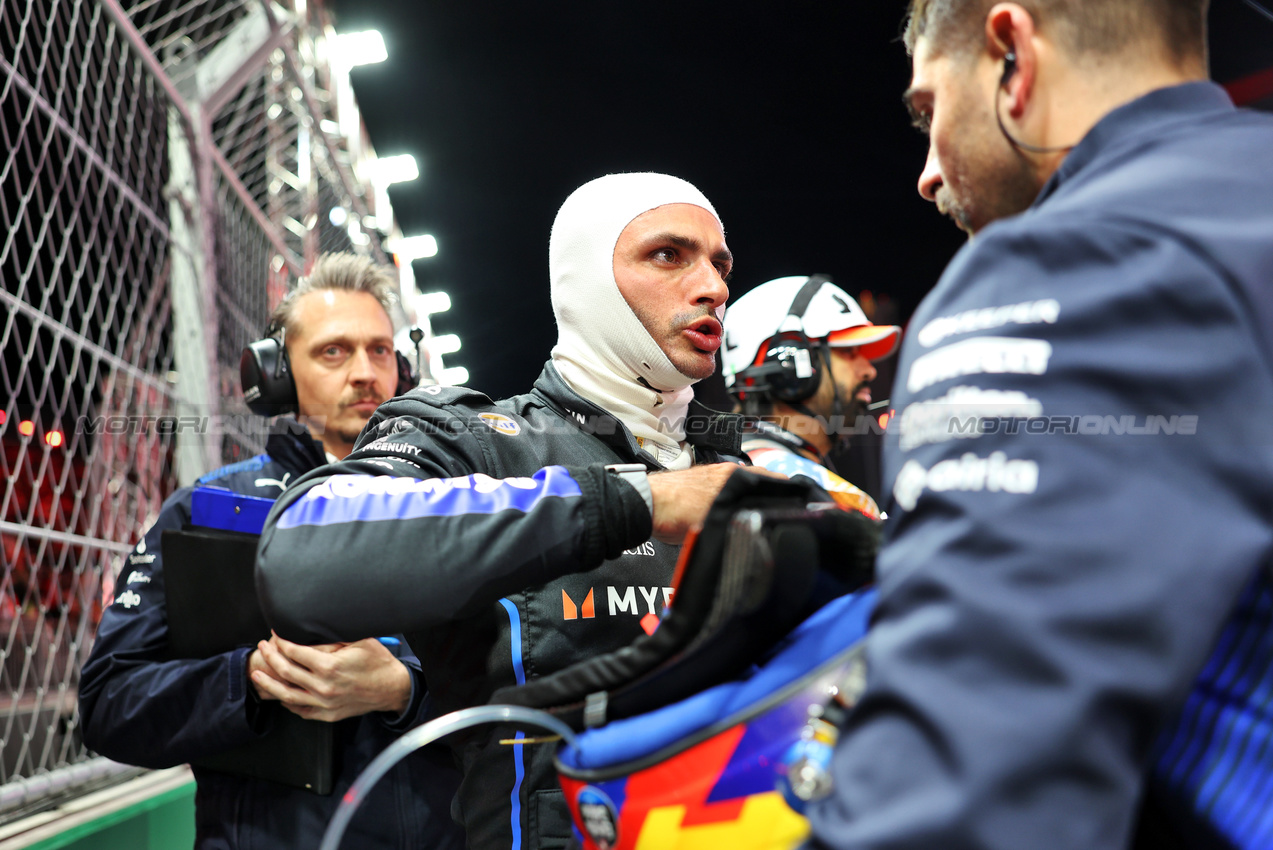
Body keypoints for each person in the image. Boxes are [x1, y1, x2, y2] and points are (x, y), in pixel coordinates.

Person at [807, 2, 1273, 849]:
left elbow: (953, 801)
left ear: (1011, 56)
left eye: (926, 110)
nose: (924, 172)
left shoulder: (1078, 264)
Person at [255, 173, 777, 849]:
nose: (711, 286)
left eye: (719, 263)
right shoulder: (476, 438)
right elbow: (301, 555)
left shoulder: (735, 468)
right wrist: (638, 499)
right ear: (586, 280)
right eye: (668, 255)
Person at [79, 253, 464, 850]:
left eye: (380, 350)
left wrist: (403, 690)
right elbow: (109, 705)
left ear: (403, 367)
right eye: (334, 352)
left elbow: (534, 676)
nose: (364, 372)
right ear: (277, 376)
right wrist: (250, 678)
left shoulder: (463, 506)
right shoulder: (207, 508)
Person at [722, 274, 900, 518]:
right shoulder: (817, 493)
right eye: (849, 351)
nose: (869, 370)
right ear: (789, 367)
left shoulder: (722, 470)